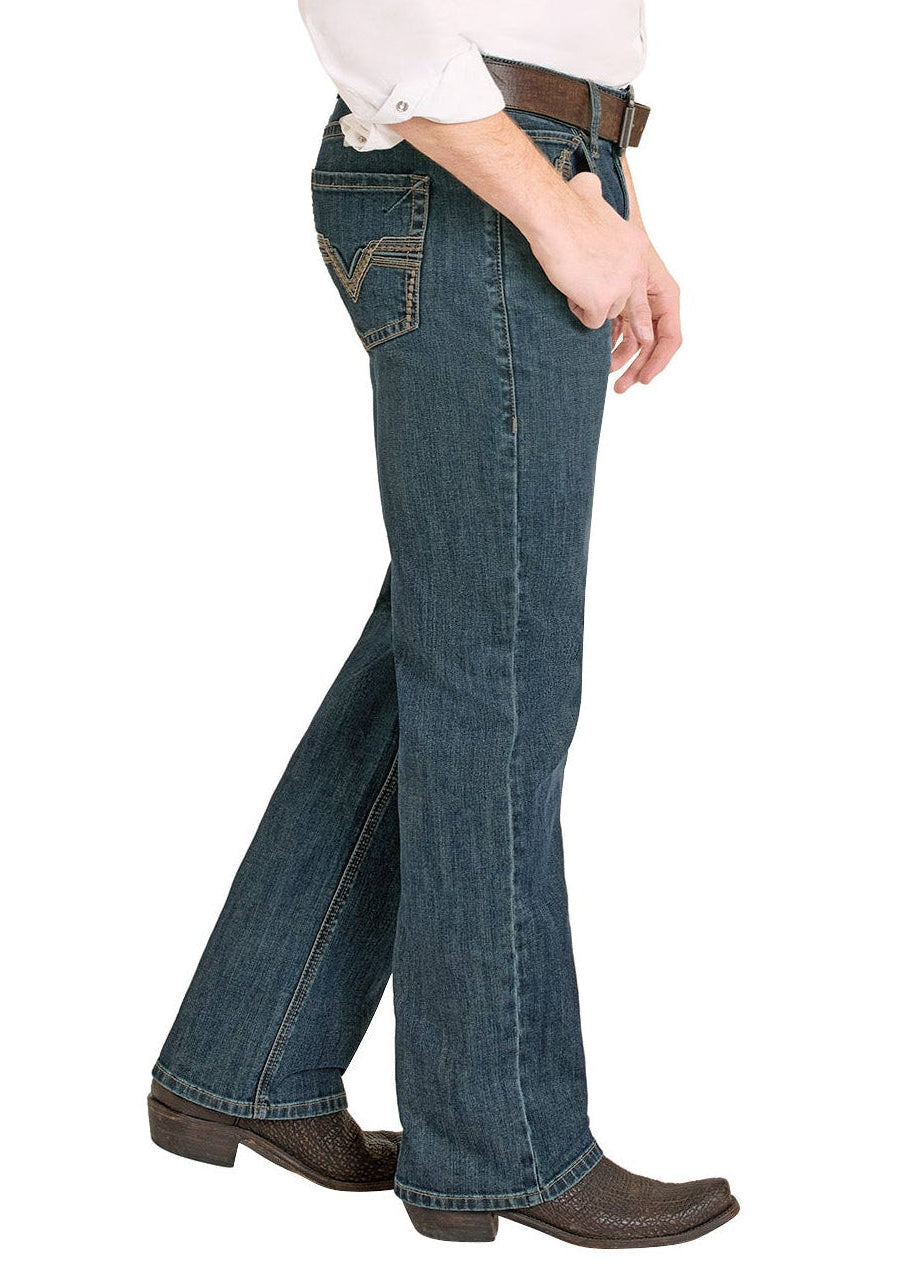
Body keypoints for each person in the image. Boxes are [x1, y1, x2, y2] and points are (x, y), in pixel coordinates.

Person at [147, 1, 740, 1249]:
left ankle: (249, 1052)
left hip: (532, 171)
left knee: (456, 636)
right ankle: (497, 1143)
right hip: (483, 184)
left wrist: (612, 208)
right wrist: (554, 210)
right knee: (498, 672)